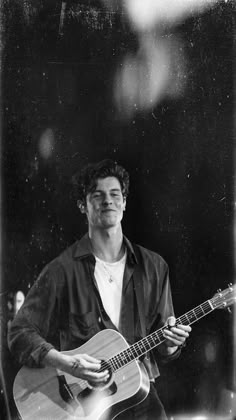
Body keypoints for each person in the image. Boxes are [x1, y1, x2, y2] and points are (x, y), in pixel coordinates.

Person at [8, 159, 191, 420]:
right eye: (98, 195)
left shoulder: (154, 267)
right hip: (83, 407)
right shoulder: (62, 270)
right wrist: (65, 362)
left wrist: (172, 345)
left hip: (138, 395)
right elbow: (19, 332)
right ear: (83, 205)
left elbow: (163, 348)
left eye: (115, 194)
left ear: (125, 203)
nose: (108, 201)